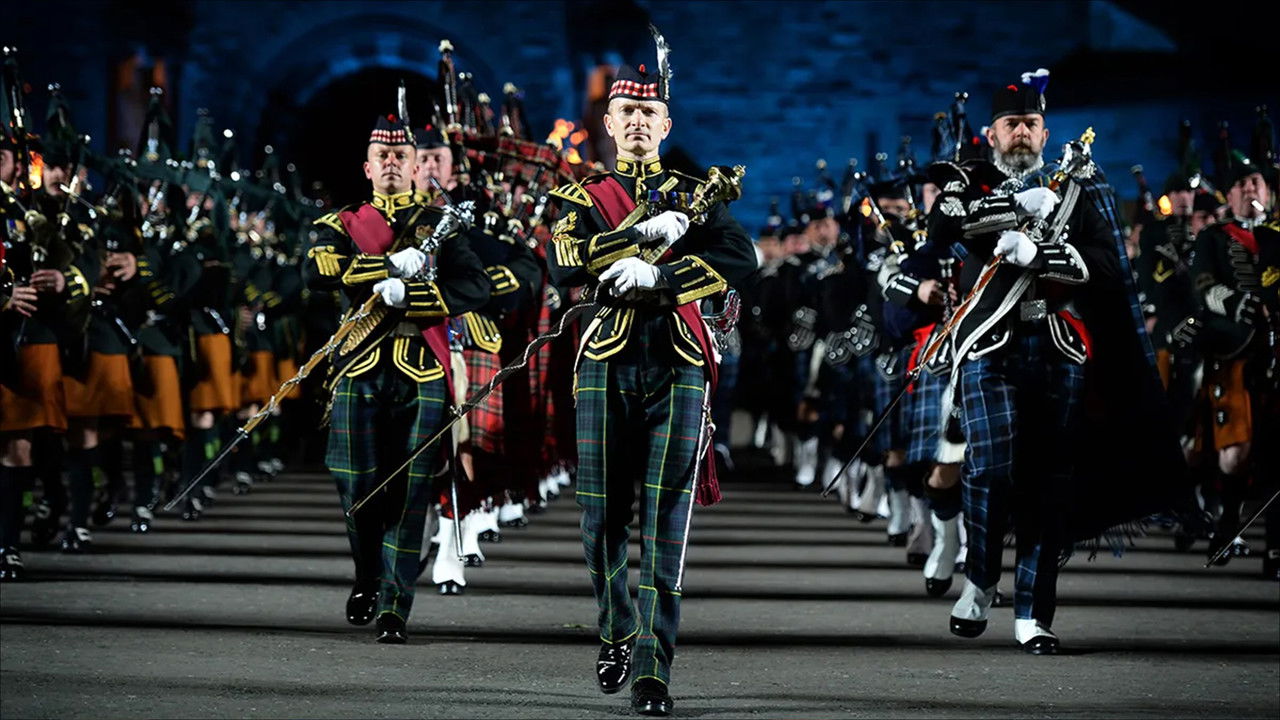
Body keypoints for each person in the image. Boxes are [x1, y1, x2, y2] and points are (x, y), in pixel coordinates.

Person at [937, 70, 1184, 653]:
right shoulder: (966, 177)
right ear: (991, 133)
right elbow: (955, 226)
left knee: (1051, 482)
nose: (1020, 133)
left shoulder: (1082, 184)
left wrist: (1045, 250)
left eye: (1031, 124)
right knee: (991, 465)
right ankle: (978, 579)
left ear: (1045, 133)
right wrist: (1014, 208)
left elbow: (1103, 257)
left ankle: (1032, 613)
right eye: (1009, 124)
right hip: (987, 342)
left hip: (1058, 345)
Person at [546, 43, 756, 715]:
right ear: (608, 123)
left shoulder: (698, 195)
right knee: (601, 513)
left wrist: (663, 277)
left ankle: (653, 668)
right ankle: (615, 628)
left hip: (679, 363)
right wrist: (641, 235)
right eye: (626, 111)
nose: (637, 121)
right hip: (605, 358)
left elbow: (739, 260)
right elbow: (565, 261)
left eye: (650, 112)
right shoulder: (579, 194)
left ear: (667, 126)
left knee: (667, 519)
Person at [303, 113, 489, 643]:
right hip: (359, 365)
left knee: (410, 491)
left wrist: (415, 294)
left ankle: (394, 603)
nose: (391, 162)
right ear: (367, 167)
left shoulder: (440, 224)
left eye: (400, 156)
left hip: (421, 368)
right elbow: (315, 272)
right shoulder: (342, 223)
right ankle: (368, 572)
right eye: (381, 156)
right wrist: (386, 268)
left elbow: (474, 287)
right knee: (355, 484)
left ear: (414, 168)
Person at [1190, 150, 1278, 577]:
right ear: (1229, 194)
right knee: (1234, 453)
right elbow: (1203, 286)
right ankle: (1226, 523)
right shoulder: (1214, 237)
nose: (1250, 189)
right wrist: (1240, 305)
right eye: (1241, 184)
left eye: (1256, 182)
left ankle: (1275, 547)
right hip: (1233, 349)